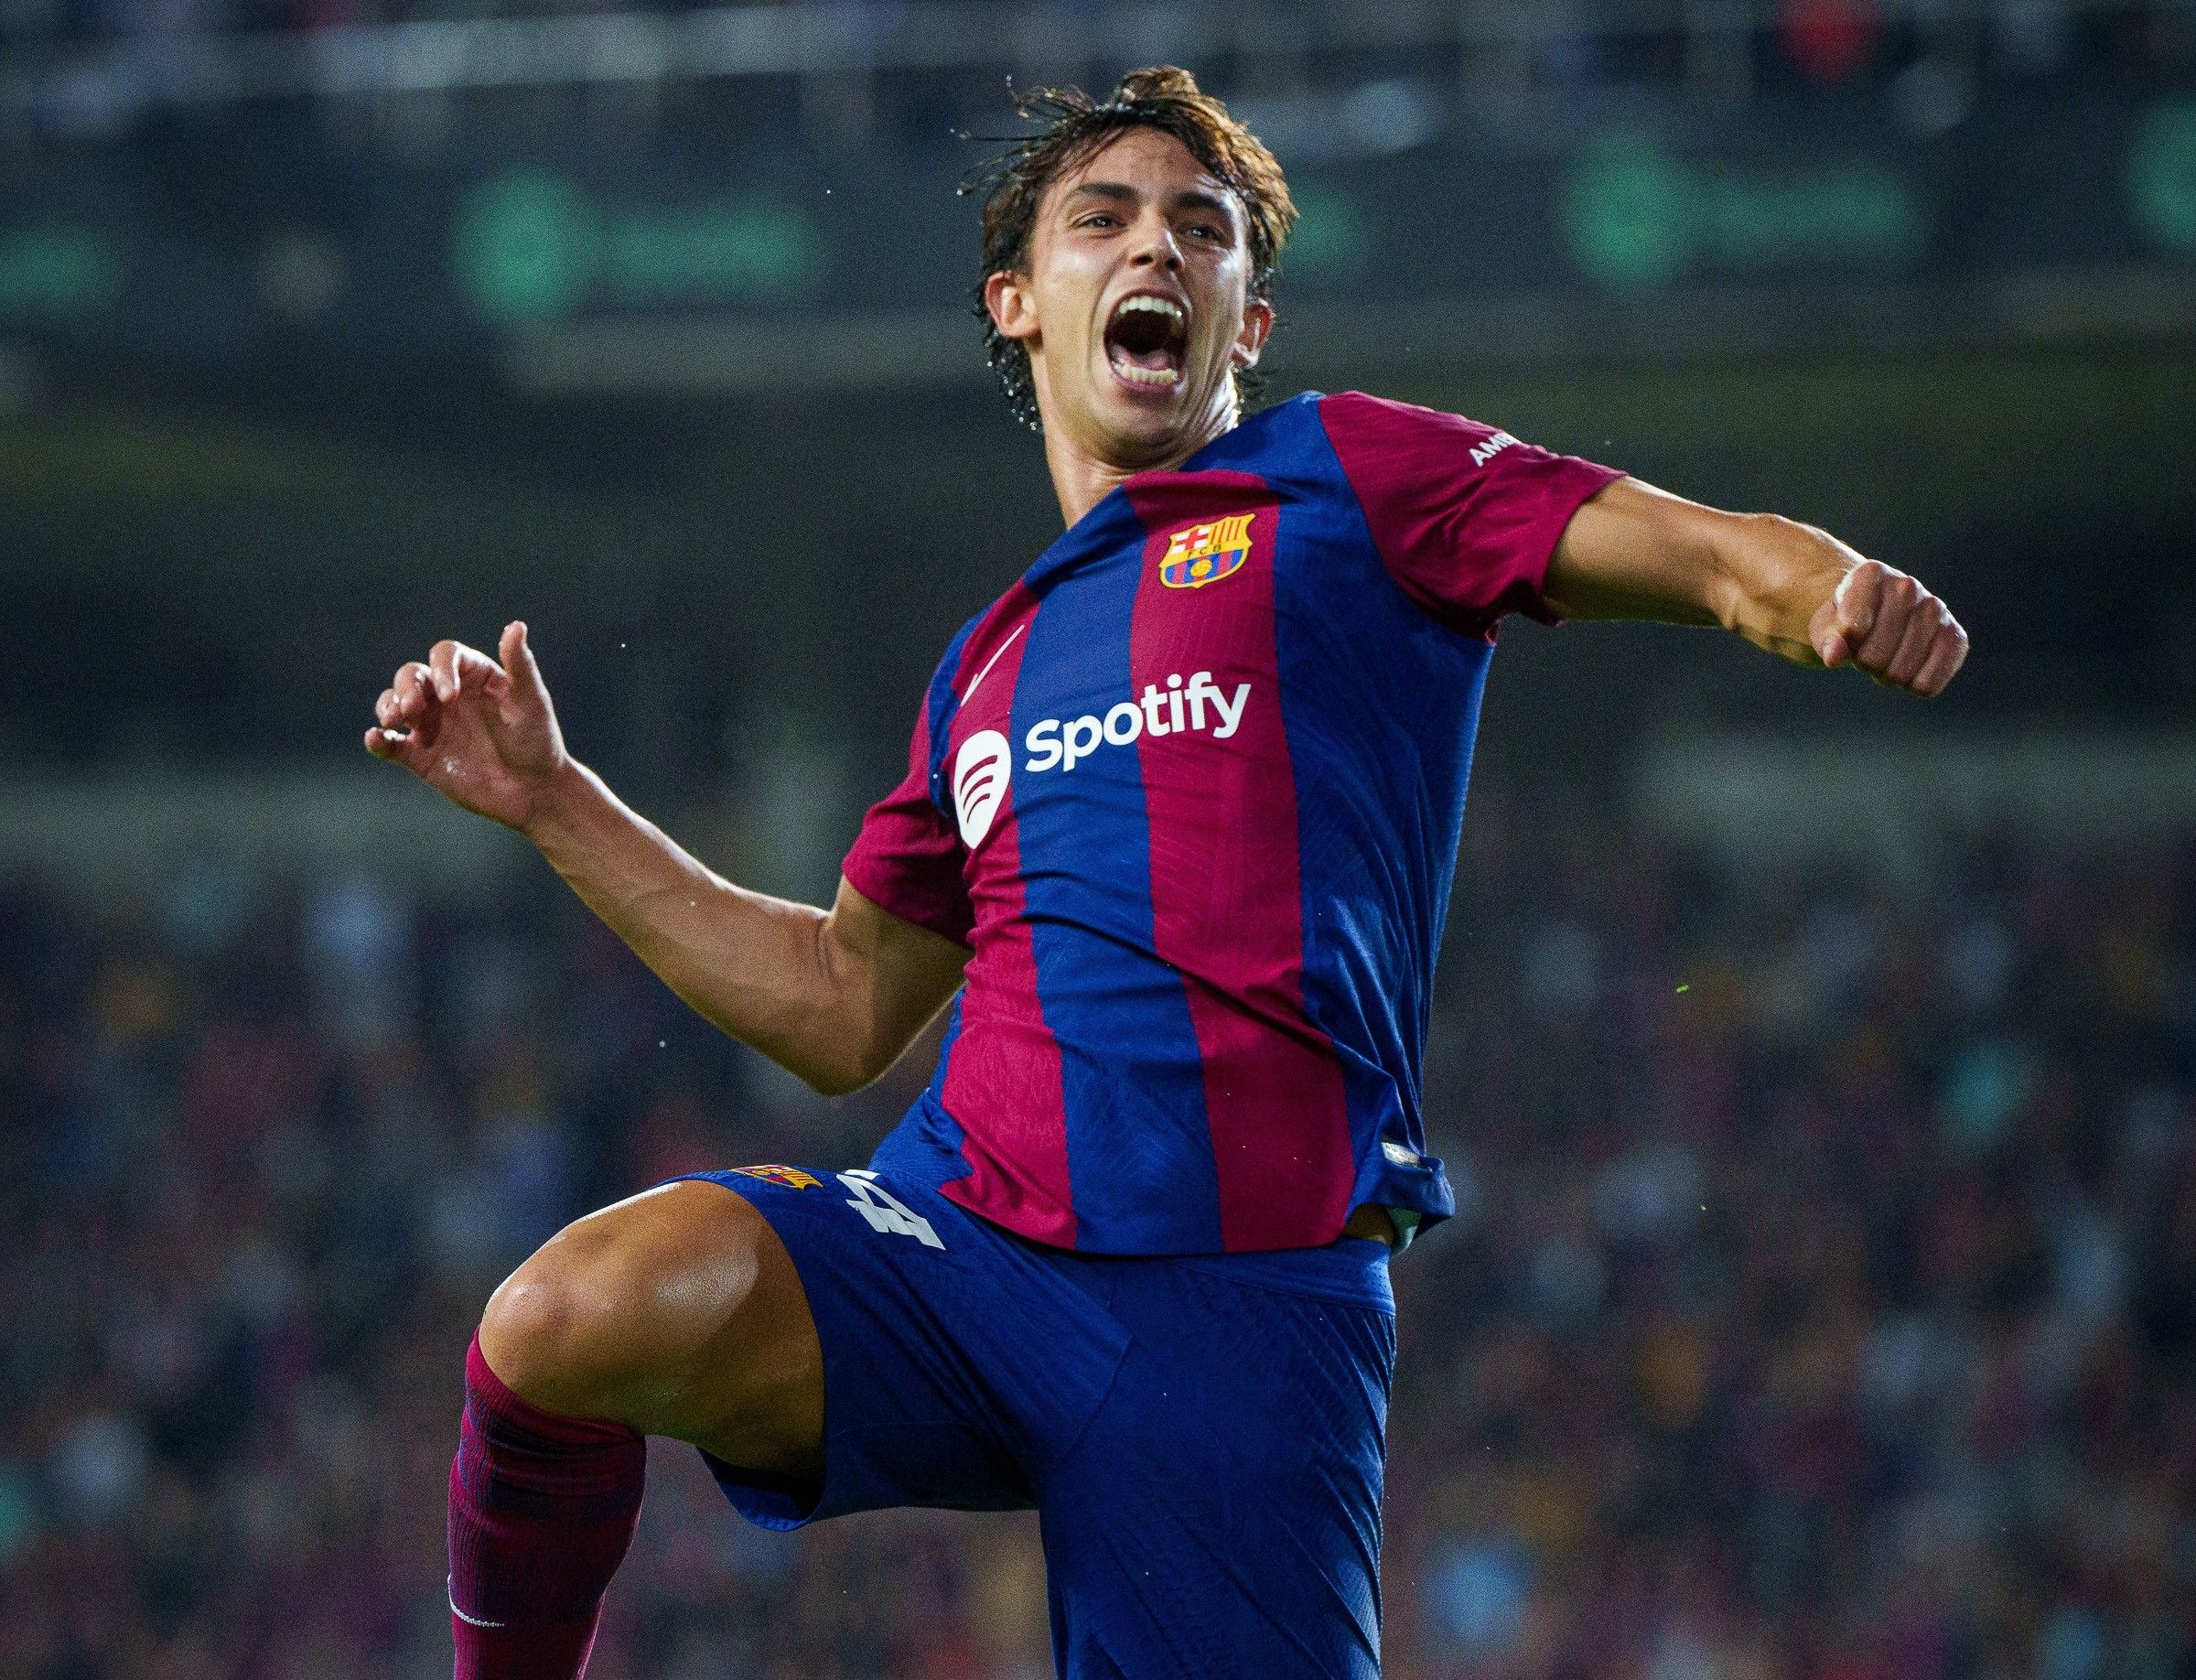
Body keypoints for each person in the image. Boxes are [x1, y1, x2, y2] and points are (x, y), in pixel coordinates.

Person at [366, 66, 1968, 1680]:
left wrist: (1825, 585)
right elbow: (840, 1005)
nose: (1158, 250)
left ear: (1246, 320)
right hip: (964, 1249)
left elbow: (1686, 546)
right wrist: (556, 801)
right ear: (1019, 302)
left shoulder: (1347, 480)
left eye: (1202, 232)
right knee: (563, 1320)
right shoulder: (985, 666)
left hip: (1241, 1309)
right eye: (1105, 219)